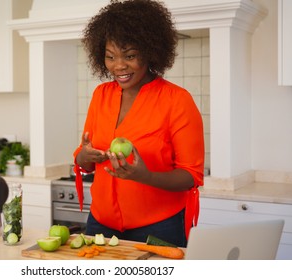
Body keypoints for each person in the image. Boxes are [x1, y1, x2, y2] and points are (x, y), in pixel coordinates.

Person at [73, 0, 204, 247]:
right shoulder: (101, 94)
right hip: (99, 223)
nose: (119, 66)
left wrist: (145, 176)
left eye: (130, 55)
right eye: (110, 57)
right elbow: (84, 160)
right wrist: (85, 156)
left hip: (160, 227)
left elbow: (191, 176)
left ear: (150, 51)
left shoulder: (177, 100)